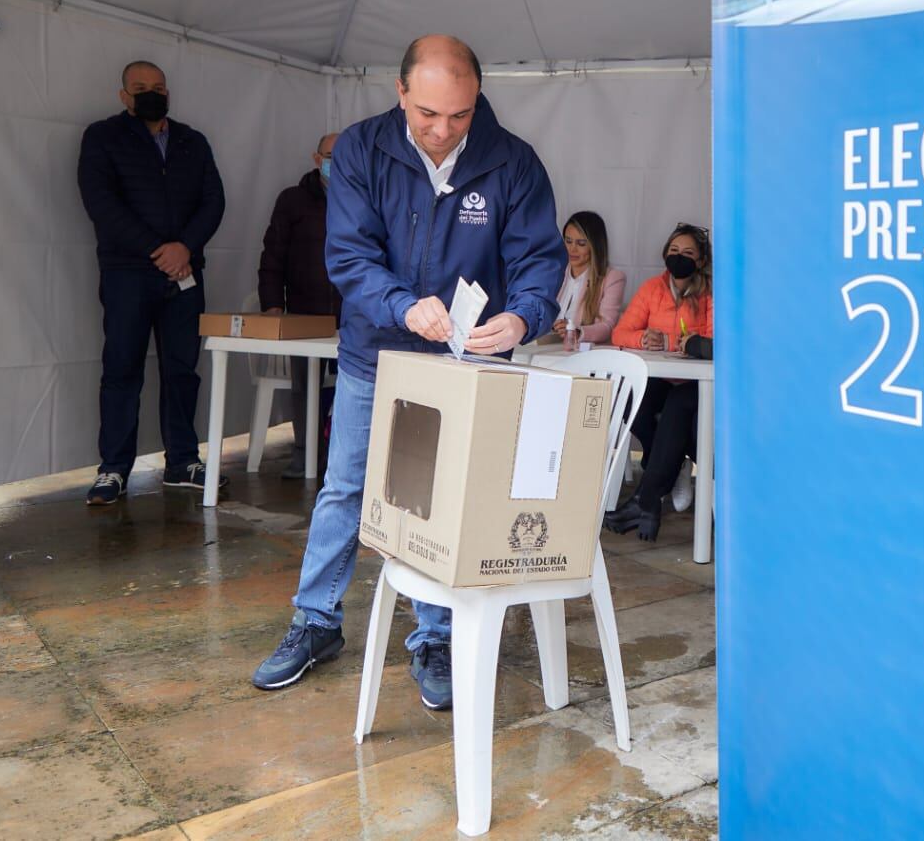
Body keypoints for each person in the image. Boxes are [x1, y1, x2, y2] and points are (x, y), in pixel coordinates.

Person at [251, 36, 565, 710]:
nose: (442, 129)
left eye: (458, 114)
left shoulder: (513, 162)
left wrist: (523, 318)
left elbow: (540, 259)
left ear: (477, 98)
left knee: (447, 501)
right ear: (400, 93)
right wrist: (399, 303)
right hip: (378, 354)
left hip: (468, 363)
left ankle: (435, 637)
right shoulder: (362, 150)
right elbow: (350, 254)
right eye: (428, 113)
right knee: (347, 488)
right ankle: (315, 621)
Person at [77, 61, 227, 507]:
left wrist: (185, 247)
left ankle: (182, 462)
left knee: (182, 370)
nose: (150, 93)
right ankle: (114, 469)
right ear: (123, 96)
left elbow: (213, 200)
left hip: (185, 273)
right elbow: (101, 202)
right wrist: (158, 250)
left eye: (158, 87)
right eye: (140, 88)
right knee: (122, 369)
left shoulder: (191, 141)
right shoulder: (103, 137)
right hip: (128, 273)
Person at [604, 223, 714, 541]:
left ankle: (647, 500)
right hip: (662, 376)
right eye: (674, 252)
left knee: (679, 405)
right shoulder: (653, 288)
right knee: (630, 400)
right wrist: (644, 338)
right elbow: (620, 333)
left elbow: (714, 337)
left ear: (702, 261)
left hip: (698, 383)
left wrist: (684, 341)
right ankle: (672, 463)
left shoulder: (709, 292)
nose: (679, 258)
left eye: (688, 253)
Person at [257, 133, 343, 478]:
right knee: (304, 385)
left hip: (352, 314)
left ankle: (339, 458)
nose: (335, 163)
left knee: (353, 385)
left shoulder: (365, 198)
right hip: (305, 312)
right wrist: (273, 304)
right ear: (315, 157)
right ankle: (304, 453)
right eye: (329, 155)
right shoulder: (293, 200)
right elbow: (272, 255)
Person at [543, 211, 626, 347]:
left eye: (581, 243)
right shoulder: (552, 270)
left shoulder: (613, 278)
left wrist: (577, 332)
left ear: (595, 246)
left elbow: (607, 327)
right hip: (546, 348)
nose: (572, 249)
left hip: (585, 353)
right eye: (568, 241)